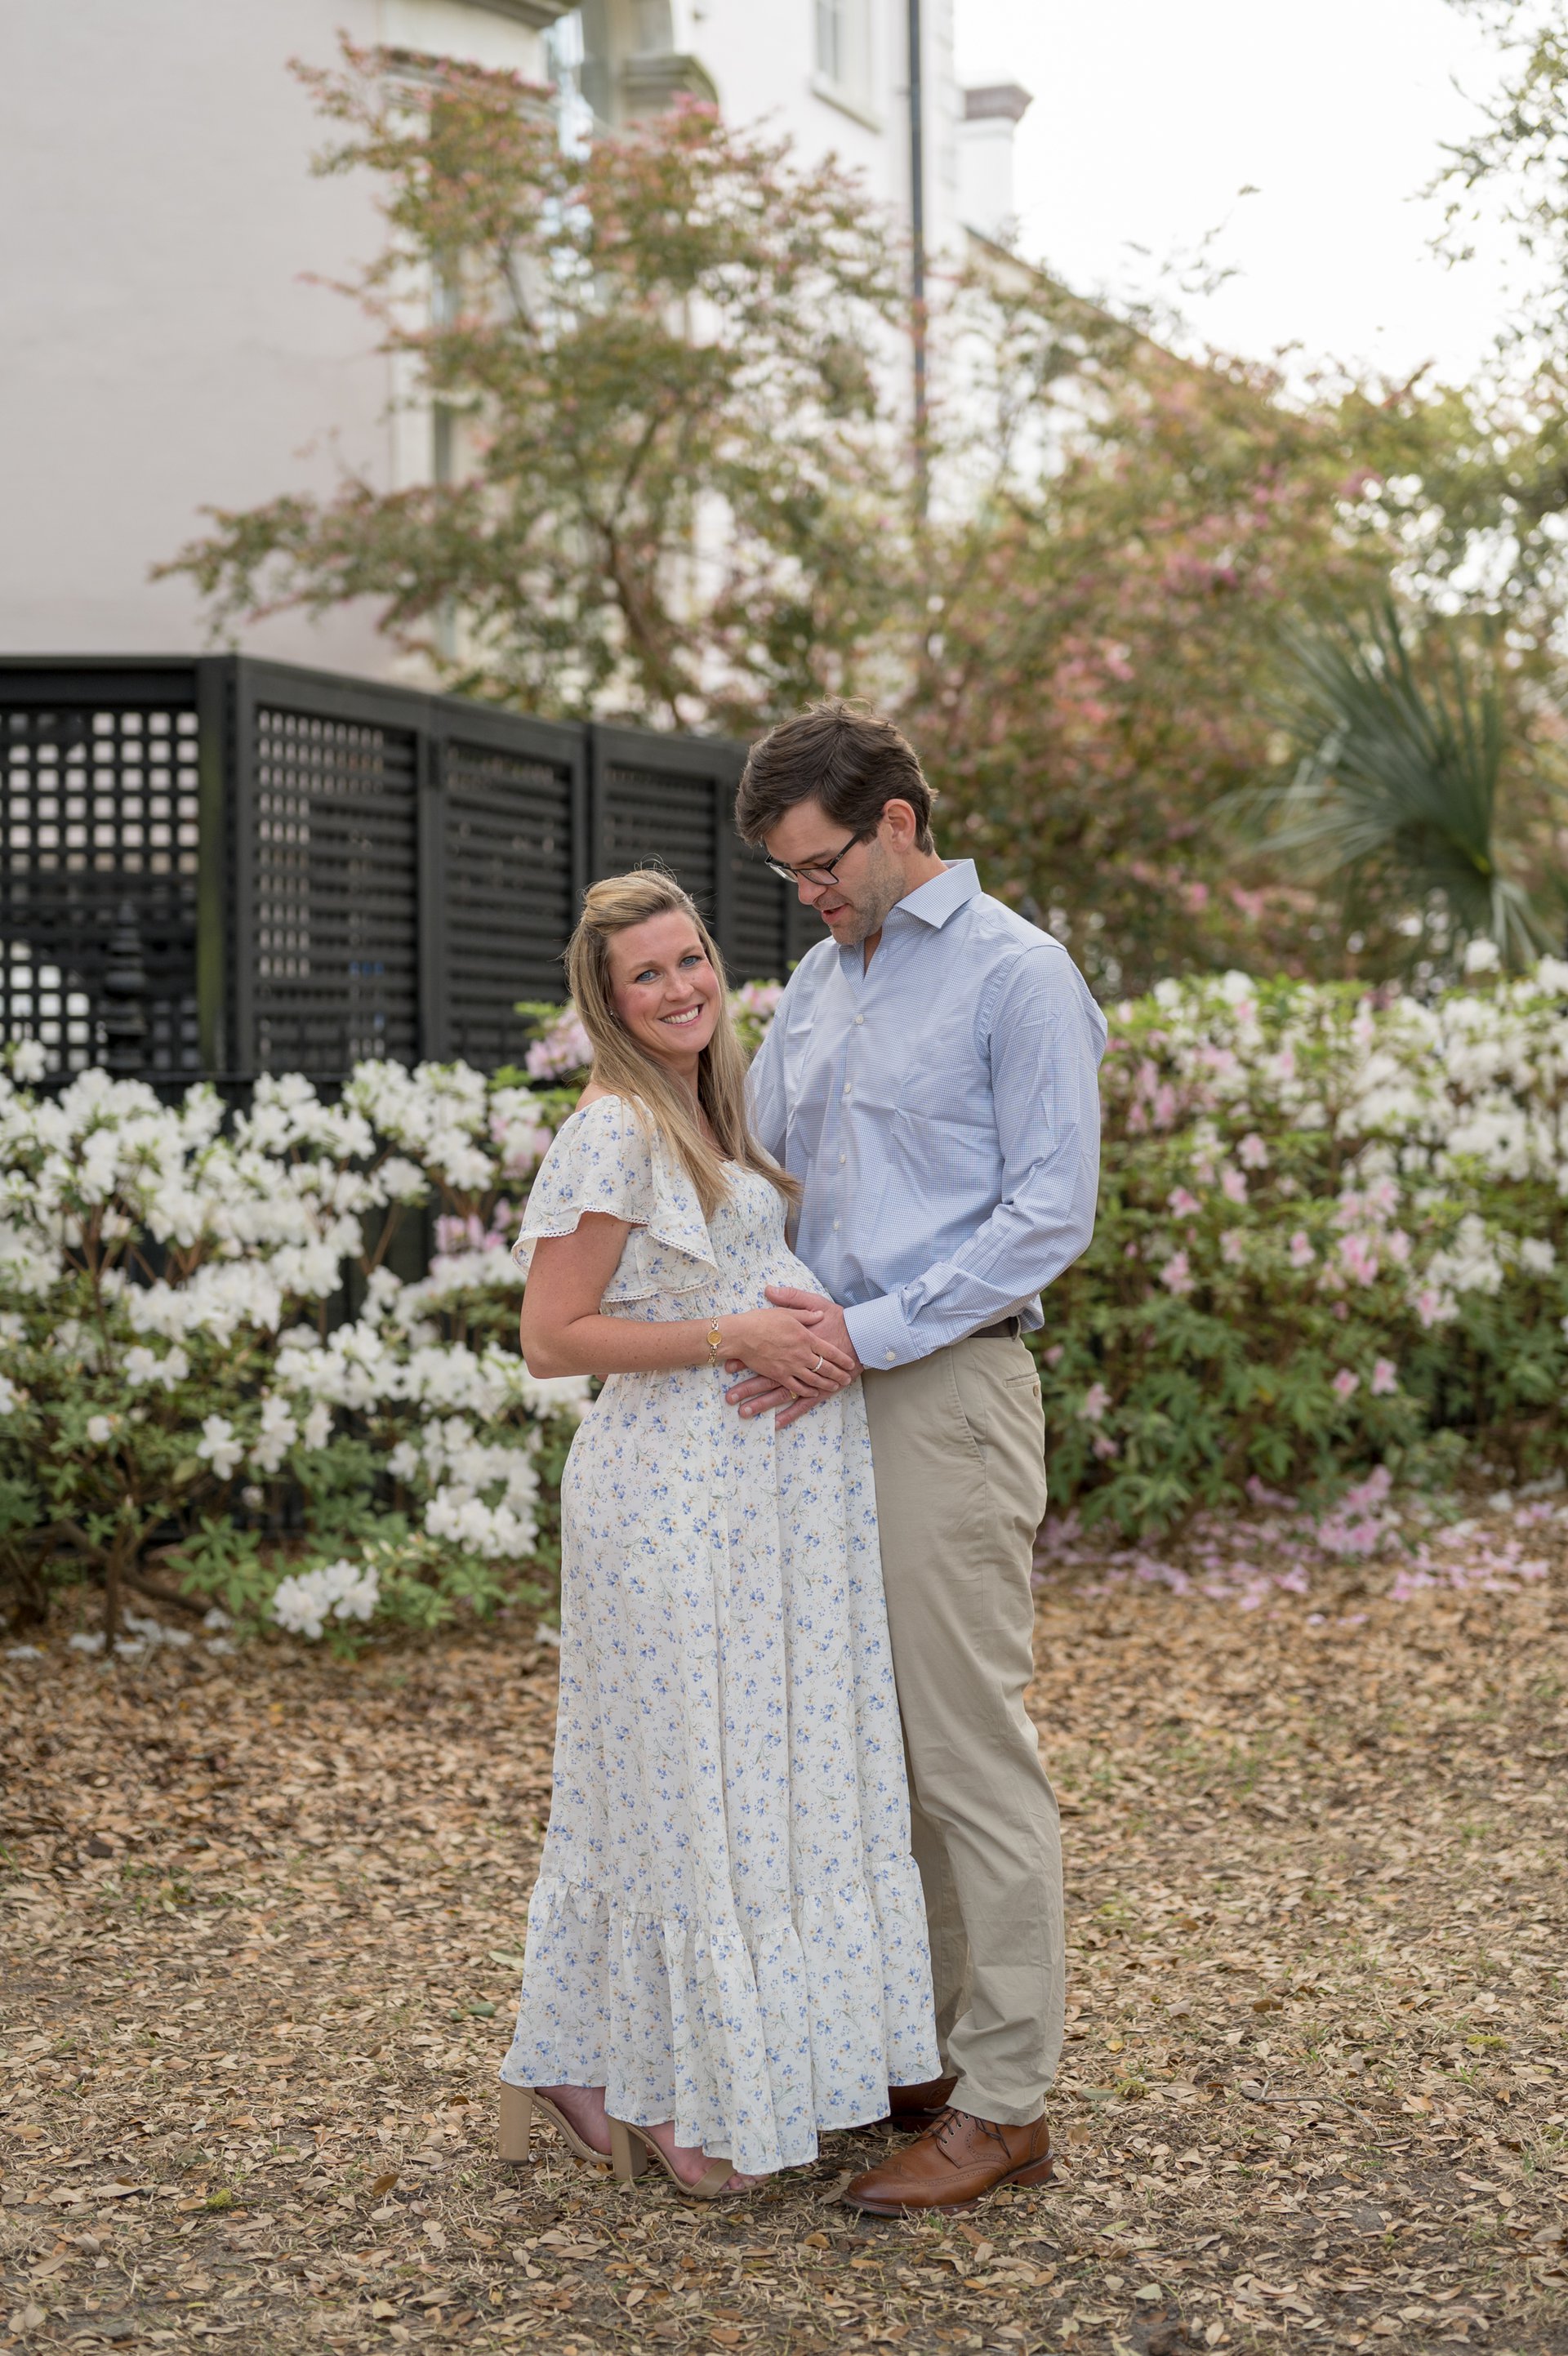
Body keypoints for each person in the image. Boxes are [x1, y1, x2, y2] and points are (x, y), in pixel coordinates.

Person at [496, 868, 942, 2198]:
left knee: (744, 1792)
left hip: (756, 1519)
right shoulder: (616, 1128)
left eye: (689, 957)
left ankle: (699, 2064)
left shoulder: (705, 1108)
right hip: (668, 1508)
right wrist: (732, 1334)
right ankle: (633, 2081)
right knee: (681, 1791)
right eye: (647, 973)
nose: (680, 986)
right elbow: (550, 1337)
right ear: (609, 1000)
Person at [729, 701, 1107, 2214]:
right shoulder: (820, 986)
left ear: (897, 821)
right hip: (816, 1397)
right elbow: (762, 1173)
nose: (807, 895)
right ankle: (939, 2056)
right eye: (786, 876)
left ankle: (1008, 2100)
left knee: (966, 1747)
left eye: (820, 864)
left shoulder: (1020, 973)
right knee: (872, 1750)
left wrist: (867, 1332)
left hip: (943, 1385)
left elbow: (1049, 1211)